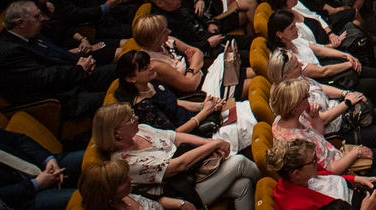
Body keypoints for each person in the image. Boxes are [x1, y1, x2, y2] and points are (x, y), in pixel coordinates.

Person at [93, 102, 259, 210]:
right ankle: (270, 180)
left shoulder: (140, 130)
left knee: (242, 185)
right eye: (129, 119)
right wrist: (213, 145)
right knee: (239, 162)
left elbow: (175, 136)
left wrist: (206, 143)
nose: (136, 118)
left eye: (133, 113)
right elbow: (178, 166)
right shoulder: (126, 162)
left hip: (195, 170)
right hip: (182, 189)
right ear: (117, 134)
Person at [269, 79, 376, 195]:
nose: (309, 98)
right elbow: (329, 171)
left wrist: (314, 117)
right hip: (341, 173)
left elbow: (320, 136)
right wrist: (356, 152)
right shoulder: (295, 143)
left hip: (338, 154)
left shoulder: (286, 119)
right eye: (304, 98)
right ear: (294, 107)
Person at [113, 50, 255, 153]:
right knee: (248, 123)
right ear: (131, 79)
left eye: (149, 63)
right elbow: (174, 134)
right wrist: (205, 112)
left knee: (247, 107)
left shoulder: (151, 82)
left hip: (200, 117)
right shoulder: (144, 107)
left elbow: (174, 102)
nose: (151, 67)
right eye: (145, 68)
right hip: (196, 134)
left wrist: (204, 106)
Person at [0, 0, 114, 117]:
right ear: (21, 23)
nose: (42, 18)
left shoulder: (28, 33)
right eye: (36, 16)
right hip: (60, 97)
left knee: (119, 69)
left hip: (71, 78)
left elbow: (58, 53)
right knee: (117, 97)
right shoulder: (9, 53)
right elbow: (44, 78)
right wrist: (79, 69)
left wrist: (83, 63)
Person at [266, 49, 376, 151]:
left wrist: (344, 93)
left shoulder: (296, 77)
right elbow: (322, 119)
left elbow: (319, 87)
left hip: (338, 107)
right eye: (296, 65)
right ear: (285, 76)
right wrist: (347, 103)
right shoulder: (289, 99)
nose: (301, 65)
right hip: (336, 127)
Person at [266, 9, 376, 97]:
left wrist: (346, 55)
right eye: (291, 28)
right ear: (279, 34)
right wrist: (350, 64)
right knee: (373, 82)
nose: (296, 29)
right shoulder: (285, 58)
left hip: (328, 66)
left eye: (295, 25)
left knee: (373, 73)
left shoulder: (293, 39)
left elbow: (318, 49)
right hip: (323, 81)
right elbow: (322, 72)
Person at [264, 138, 376, 210]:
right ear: (296, 174)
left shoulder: (301, 174)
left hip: (358, 193)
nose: (317, 162)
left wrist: (356, 179)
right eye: (313, 160)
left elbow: (329, 178)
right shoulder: (297, 206)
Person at [0, 122, 85, 210]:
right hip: (27, 198)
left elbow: (20, 140)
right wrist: (37, 183)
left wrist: (49, 161)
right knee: (82, 199)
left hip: (41, 165)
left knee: (89, 158)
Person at [131, 13, 210, 96]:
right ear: (154, 38)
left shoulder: (168, 41)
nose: (169, 31)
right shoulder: (153, 63)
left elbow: (198, 52)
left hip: (202, 79)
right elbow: (190, 86)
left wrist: (190, 71)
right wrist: (198, 69)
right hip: (193, 93)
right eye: (164, 31)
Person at [77, 158, 193, 210]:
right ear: (108, 192)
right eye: (124, 181)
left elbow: (155, 199)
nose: (130, 179)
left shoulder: (127, 193)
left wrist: (181, 204)